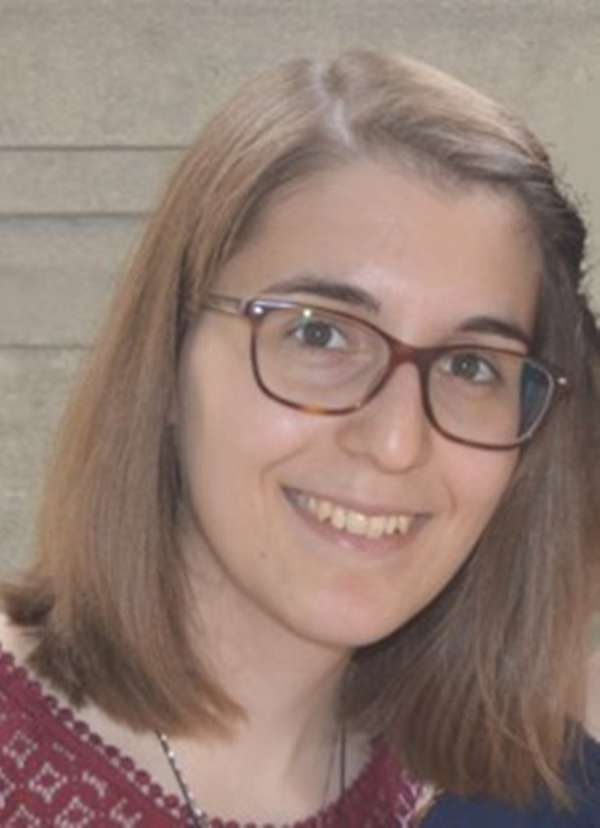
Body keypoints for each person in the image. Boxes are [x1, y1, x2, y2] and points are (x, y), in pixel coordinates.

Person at [0, 49, 599, 827]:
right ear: (168, 356)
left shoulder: (512, 796)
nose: (396, 442)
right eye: (320, 334)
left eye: (470, 365)